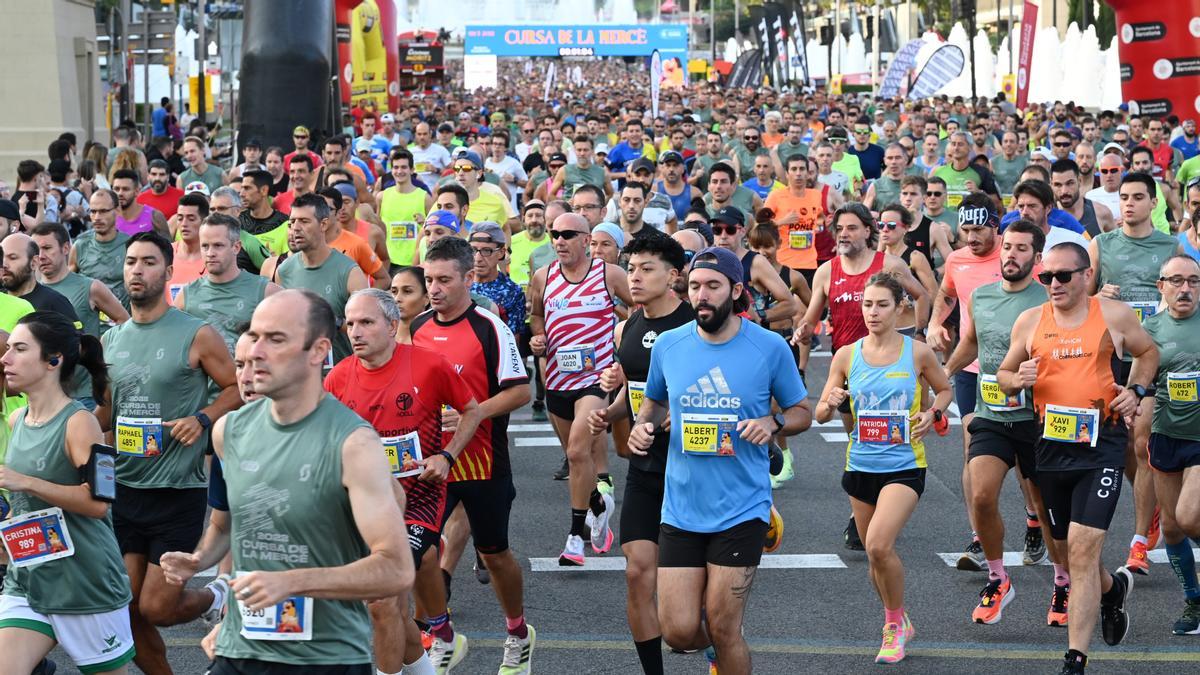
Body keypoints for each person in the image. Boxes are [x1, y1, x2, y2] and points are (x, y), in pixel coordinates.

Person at [159, 289, 412, 675]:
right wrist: (199, 560)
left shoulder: (353, 444)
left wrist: (293, 582)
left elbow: (396, 569)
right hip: (241, 648)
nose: (257, 352)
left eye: (275, 339)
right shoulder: (229, 432)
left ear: (317, 351)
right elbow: (234, 525)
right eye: (255, 337)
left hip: (325, 659)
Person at [631, 246, 811, 673]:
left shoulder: (768, 347)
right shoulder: (669, 346)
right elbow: (653, 403)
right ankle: (719, 653)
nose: (702, 295)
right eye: (695, 286)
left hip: (741, 508)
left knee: (725, 625)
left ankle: (727, 650)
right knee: (677, 631)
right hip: (681, 507)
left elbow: (803, 411)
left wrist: (773, 422)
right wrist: (642, 426)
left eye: (713, 286)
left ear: (736, 290)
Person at [997, 241, 1157, 675]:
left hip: (1101, 444)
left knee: (1085, 550)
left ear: (1087, 276)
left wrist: (1136, 391)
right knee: (1068, 555)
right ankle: (1111, 591)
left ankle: (1075, 659)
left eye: (1063, 276)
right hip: (1049, 447)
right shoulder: (1030, 321)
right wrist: (1017, 379)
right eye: (1046, 277)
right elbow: (1003, 375)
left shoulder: (1114, 316)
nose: (1053, 284)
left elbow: (1148, 353)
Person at [99, 231, 241, 674]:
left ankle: (218, 595)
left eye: (147, 262)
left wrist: (202, 418)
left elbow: (236, 387)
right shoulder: (112, 339)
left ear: (167, 270)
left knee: (157, 608)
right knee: (128, 608)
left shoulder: (195, 333)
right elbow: (105, 410)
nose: (136, 270)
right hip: (124, 489)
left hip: (177, 488)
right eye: (130, 262)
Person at [325, 288, 485, 674]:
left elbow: (471, 410)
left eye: (366, 322)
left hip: (420, 501)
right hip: (366, 505)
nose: (356, 331)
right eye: (350, 323)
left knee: (382, 600)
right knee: (390, 609)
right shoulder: (338, 378)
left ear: (392, 324)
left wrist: (446, 456)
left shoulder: (429, 366)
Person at [409, 237, 537, 674]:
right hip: (430, 464)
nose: (435, 289)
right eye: (429, 280)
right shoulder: (418, 327)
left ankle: (518, 633)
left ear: (468, 277)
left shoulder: (489, 327)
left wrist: (472, 414)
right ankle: (443, 634)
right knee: (417, 552)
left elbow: (521, 391)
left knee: (495, 553)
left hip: (482, 461)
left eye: (444, 280)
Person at [815, 273, 952, 663]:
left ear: (900, 308)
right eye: (867, 305)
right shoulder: (846, 354)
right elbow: (821, 413)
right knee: (876, 556)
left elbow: (945, 389)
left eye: (882, 305)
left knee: (877, 544)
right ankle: (898, 618)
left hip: (904, 466)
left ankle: (893, 625)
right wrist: (833, 400)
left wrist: (933, 413)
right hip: (860, 466)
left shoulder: (917, 352)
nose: (872, 312)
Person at [943, 219, 1068, 625]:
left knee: (1046, 508)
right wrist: (943, 373)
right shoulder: (980, 296)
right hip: (992, 415)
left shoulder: (1048, 301)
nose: (1011, 254)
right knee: (980, 495)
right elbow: (972, 342)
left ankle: (1063, 581)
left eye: (1021, 248)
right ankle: (998, 578)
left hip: (1037, 421)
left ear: (1037, 256)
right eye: (1008, 247)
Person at [0, 311, 136, 674]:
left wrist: (25, 482)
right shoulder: (18, 420)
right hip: (30, 579)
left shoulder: (81, 423)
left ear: (53, 360)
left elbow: (99, 504)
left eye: (19, 348)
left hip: (85, 584)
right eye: (8, 348)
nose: (5, 358)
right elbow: (31, 507)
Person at [585, 234, 693, 675]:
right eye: (631, 268)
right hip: (645, 465)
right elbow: (636, 390)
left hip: (693, 470)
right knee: (636, 572)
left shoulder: (694, 325)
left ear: (673, 276)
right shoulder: (630, 324)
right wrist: (609, 414)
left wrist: (682, 413)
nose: (635, 275)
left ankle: (711, 643)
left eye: (647, 268)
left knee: (687, 613)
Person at [1086, 172, 1184, 576]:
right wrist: (1097, 295)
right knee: (1127, 446)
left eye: (1138, 197)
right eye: (1123, 197)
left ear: (1153, 203)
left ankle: (1139, 540)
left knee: (1141, 441)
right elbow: (1080, 297)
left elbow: (1184, 295)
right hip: (1112, 356)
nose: (1128, 204)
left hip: (1153, 354)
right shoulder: (1101, 244)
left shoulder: (1170, 245)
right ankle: (1155, 502)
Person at [527, 213, 633, 565]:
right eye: (555, 234)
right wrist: (538, 338)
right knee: (579, 460)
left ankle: (575, 537)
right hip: (557, 379)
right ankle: (597, 504)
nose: (559, 240)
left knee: (576, 452)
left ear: (586, 240)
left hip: (595, 379)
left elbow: (640, 311)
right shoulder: (543, 277)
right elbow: (537, 316)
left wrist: (624, 357)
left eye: (568, 234)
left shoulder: (609, 274)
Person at [1141, 254, 1200, 635]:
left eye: (1194, 281)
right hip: (1165, 435)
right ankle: (1194, 601)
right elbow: (1139, 382)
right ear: (1161, 286)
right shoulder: (1148, 330)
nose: (1186, 288)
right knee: (1175, 529)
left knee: (1192, 516)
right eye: (1177, 281)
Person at [276, 193, 369, 367]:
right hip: (300, 375)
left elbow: (367, 330)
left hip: (341, 378)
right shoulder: (284, 270)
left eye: (304, 221)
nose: (295, 228)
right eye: (292, 222)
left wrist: (332, 320)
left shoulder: (350, 272)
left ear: (323, 224)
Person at [174, 214, 281, 353]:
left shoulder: (265, 292)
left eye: (218, 246)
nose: (210, 253)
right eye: (205, 246)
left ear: (236, 247)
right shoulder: (186, 296)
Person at [32, 221, 129, 341]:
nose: (41, 256)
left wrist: (101, 349)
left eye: (47, 248)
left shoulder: (91, 287)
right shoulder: (31, 290)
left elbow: (125, 321)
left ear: (66, 248)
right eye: (37, 250)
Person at [72, 189, 133, 307]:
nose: (97, 217)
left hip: (122, 321)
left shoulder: (131, 245)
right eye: (93, 211)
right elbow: (69, 287)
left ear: (117, 210)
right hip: (90, 322)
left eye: (103, 211)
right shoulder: (80, 246)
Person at [2, 232, 79, 321]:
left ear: (34, 263)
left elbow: (76, 335)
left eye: (12, 258)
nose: (4, 265)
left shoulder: (54, 302)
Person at [1052, 159, 1115, 238]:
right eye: (1058, 185)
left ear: (1079, 181)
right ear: (1051, 184)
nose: (1064, 191)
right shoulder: (1045, 217)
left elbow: (1116, 247)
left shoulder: (1101, 213)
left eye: (1070, 183)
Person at [110, 169, 170, 238]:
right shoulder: (108, 216)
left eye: (125, 189)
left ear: (137, 191)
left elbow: (169, 246)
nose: (120, 193)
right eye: (116, 189)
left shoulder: (155, 216)